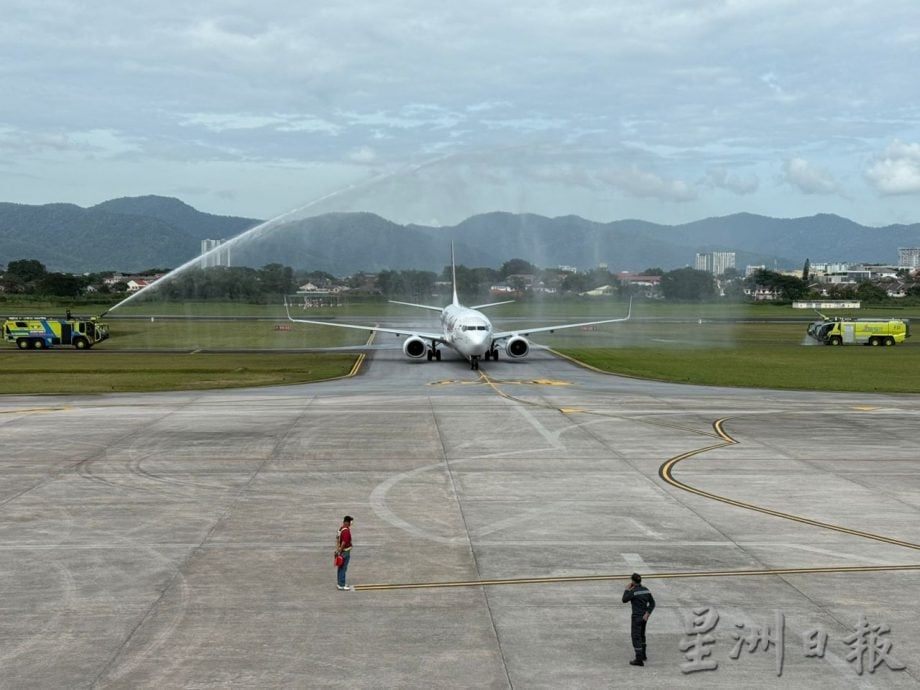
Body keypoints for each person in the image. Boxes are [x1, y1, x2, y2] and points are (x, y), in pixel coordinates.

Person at [622, 572, 655, 666]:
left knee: (636, 637)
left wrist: (627, 589)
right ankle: (643, 655)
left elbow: (624, 600)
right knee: (642, 635)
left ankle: (639, 659)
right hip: (644, 617)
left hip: (636, 617)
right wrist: (648, 613)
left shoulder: (633, 591)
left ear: (633, 581)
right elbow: (652, 603)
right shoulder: (646, 590)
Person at [335, 515, 354, 591]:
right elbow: (343, 542)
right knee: (343, 568)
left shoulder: (341, 529)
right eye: (350, 522)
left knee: (340, 568)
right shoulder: (346, 531)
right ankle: (342, 585)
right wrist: (340, 551)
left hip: (341, 551)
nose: (351, 523)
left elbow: (337, 538)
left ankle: (339, 583)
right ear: (347, 522)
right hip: (345, 552)